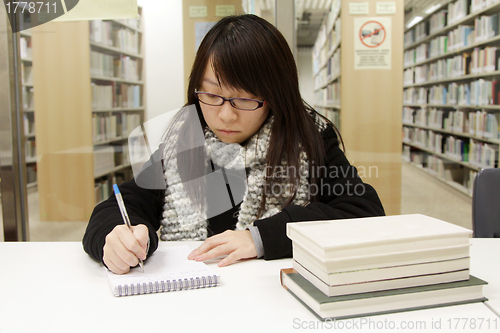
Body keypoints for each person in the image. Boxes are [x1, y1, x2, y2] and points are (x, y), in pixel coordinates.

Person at [83, 14, 385, 274]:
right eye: (212, 95)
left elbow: (363, 213)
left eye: (244, 98)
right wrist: (115, 237)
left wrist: (261, 238)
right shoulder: (185, 139)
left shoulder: (309, 139)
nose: (225, 115)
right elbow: (122, 205)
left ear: (275, 96)